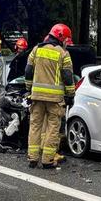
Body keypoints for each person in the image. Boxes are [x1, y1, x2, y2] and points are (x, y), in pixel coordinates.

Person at [25, 23, 76, 169]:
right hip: (55, 100)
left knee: (35, 127)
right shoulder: (63, 54)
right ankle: (47, 160)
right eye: (66, 39)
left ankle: (32, 158)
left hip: (36, 97)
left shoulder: (36, 50)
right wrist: (71, 94)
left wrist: (29, 89)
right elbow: (67, 76)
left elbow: (28, 71)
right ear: (61, 37)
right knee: (52, 128)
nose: (67, 42)